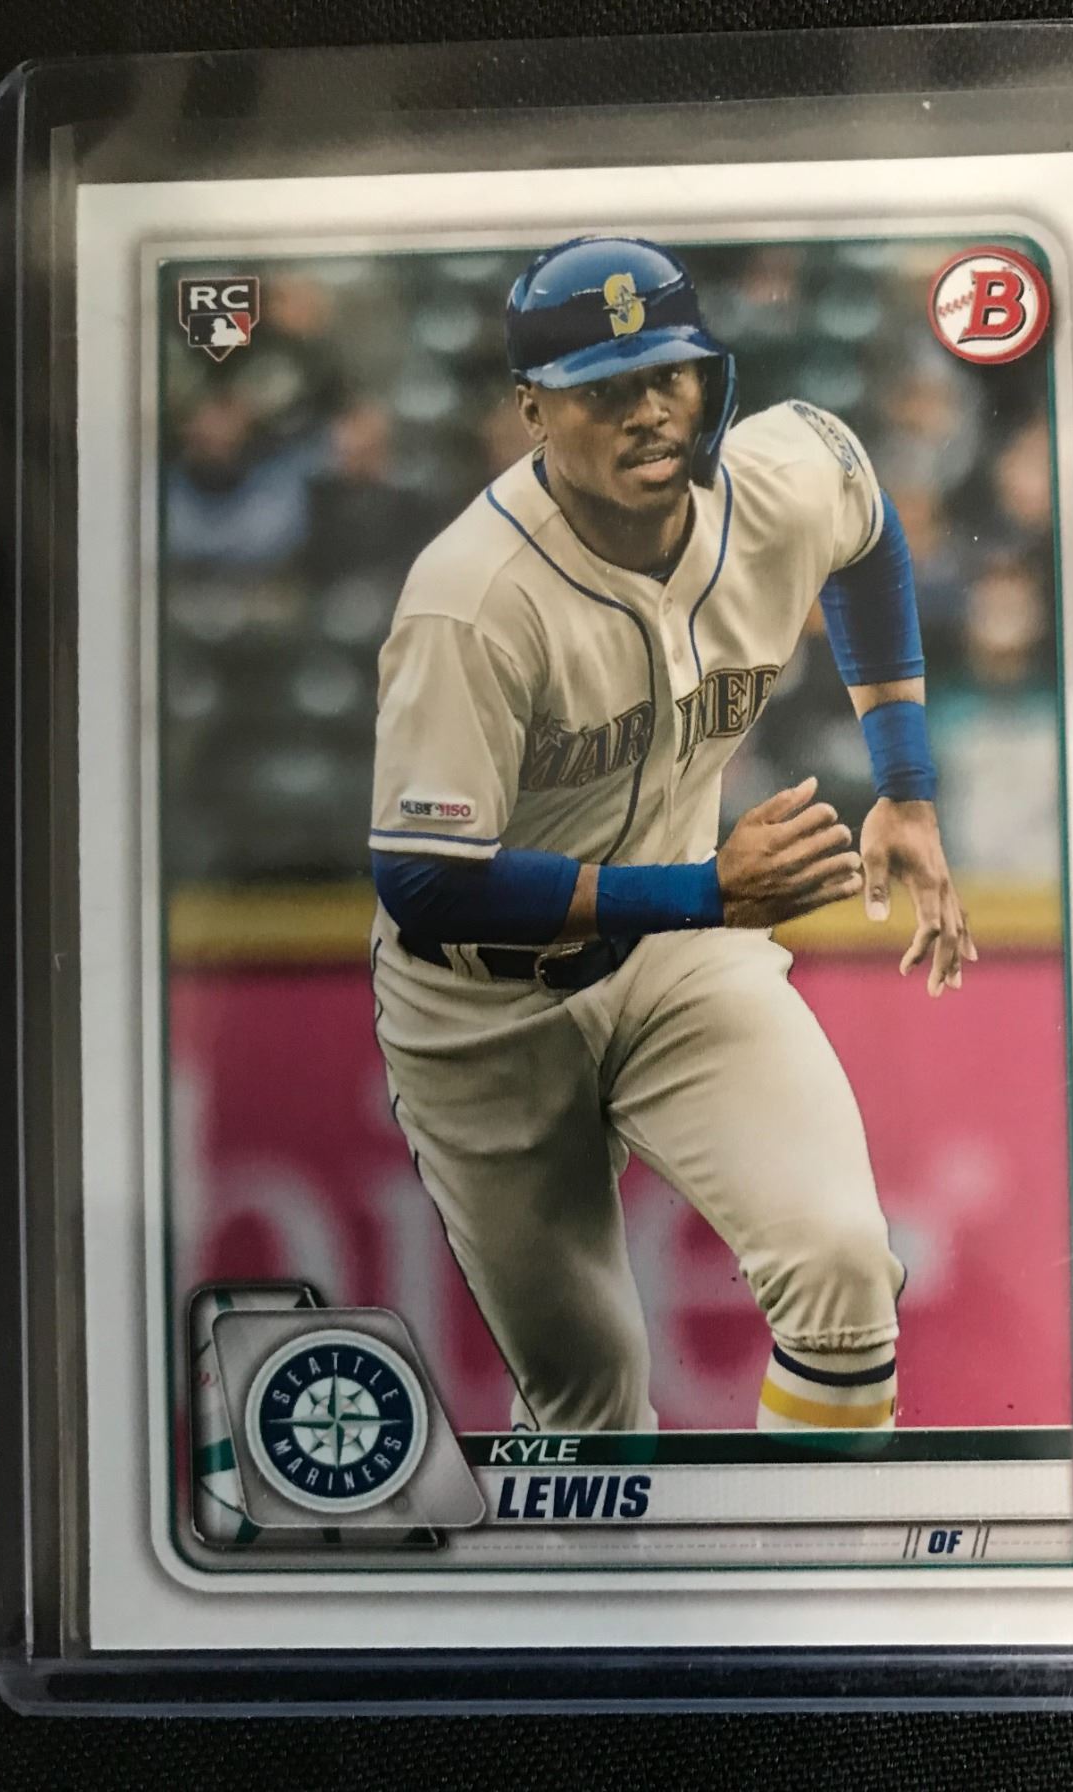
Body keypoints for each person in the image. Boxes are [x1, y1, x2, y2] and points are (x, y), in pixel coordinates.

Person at [368, 236, 974, 1435]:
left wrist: (905, 782)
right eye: (603, 389)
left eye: (668, 375)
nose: (647, 411)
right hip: (481, 1014)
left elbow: (865, 523)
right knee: (590, 1413)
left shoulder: (775, 486)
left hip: (681, 963)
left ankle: (826, 1558)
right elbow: (424, 881)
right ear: (533, 411)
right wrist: (704, 892)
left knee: (844, 1268)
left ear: (710, 379)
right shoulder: (471, 598)